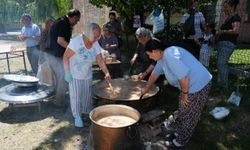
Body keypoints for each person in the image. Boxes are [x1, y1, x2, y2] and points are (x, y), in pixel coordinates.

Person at [141, 40, 212, 148]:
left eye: (149, 54)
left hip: (199, 84)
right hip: (188, 86)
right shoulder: (162, 59)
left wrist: (185, 94)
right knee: (183, 111)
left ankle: (180, 142)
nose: (150, 57)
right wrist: (145, 89)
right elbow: (154, 75)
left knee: (189, 115)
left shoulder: (170, 56)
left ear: (155, 51)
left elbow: (184, 77)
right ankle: (180, 133)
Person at [63, 23, 111, 127]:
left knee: (86, 97)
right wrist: (67, 72)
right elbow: (65, 57)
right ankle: (77, 117)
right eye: (95, 36)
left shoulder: (95, 44)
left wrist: (106, 72)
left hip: (87, 75)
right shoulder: (76, 42)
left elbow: (100, 60)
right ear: (88, 34)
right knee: (76, 97)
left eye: (98, 36)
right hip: (74, 75)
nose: (97, 39)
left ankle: (86, 112)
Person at [47, 9, 81, 107]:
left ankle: (59, 98)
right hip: (55, 55)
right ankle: (59, 102)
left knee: (60, 77)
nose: (77, 22)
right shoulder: (63, 23)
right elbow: (60, 41)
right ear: (74, 17)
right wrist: (73, 50)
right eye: (77, 20)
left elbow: (64, 39)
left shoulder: (61, 21)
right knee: (63, 77)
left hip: (53, 54)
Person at [216, 0, 241, 88]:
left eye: (226, 7)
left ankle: (224, 86)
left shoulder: (236, 17)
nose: (224, 9)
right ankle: (220, 85)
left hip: (228, 44)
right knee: (220, 64)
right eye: (224, 7)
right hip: (222, 44)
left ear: (232, 6)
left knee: (221, 64)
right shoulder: (228, 18)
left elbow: (236, 31)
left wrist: (223, 31)